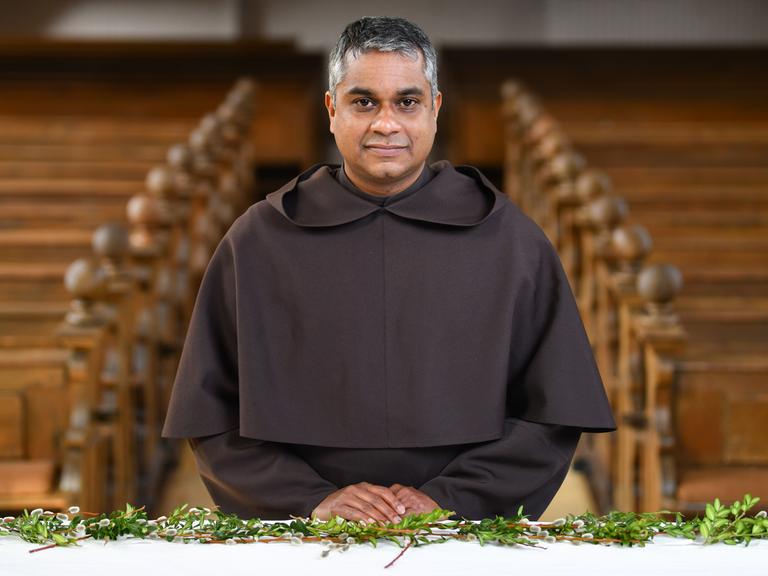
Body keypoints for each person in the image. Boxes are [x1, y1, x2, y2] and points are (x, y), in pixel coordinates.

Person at [162, 16, 615, 524]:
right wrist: (312, 498)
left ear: (435, 109)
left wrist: (450, 498)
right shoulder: (258, 240)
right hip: (305, 532)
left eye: (407, 101)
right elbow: (211, 414)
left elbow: (552, 414)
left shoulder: (510, 239)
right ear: (332, 109)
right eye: (363, 102)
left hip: (462, 531)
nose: (386, 123)